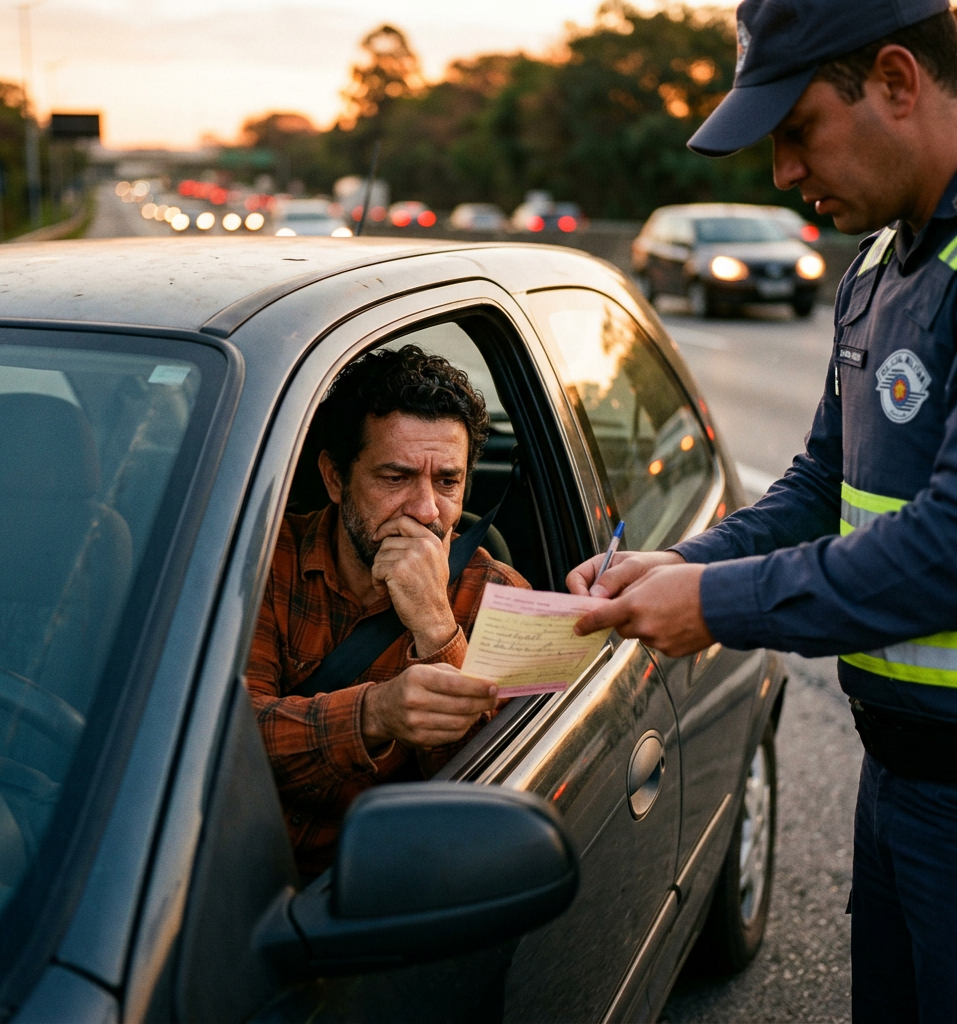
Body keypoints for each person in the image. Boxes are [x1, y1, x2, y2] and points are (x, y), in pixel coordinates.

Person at [568, 2, 957, 1020]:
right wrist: (676, 563)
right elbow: (816, 489)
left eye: (796, 131)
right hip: (898, 777)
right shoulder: (876, 268)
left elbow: (948, 552)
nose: (783, 173)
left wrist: (714, 603)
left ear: (896, 82)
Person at [246, 345, 528, 876]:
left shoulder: (500, 598)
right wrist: (374, 714)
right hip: (237, 864)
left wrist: (435, 625)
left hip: (384, 889)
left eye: (448, 481)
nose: (427, 511)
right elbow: (228, 738)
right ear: (334, 478)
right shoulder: (265, 559)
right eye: (395, 478)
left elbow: (490, 808)